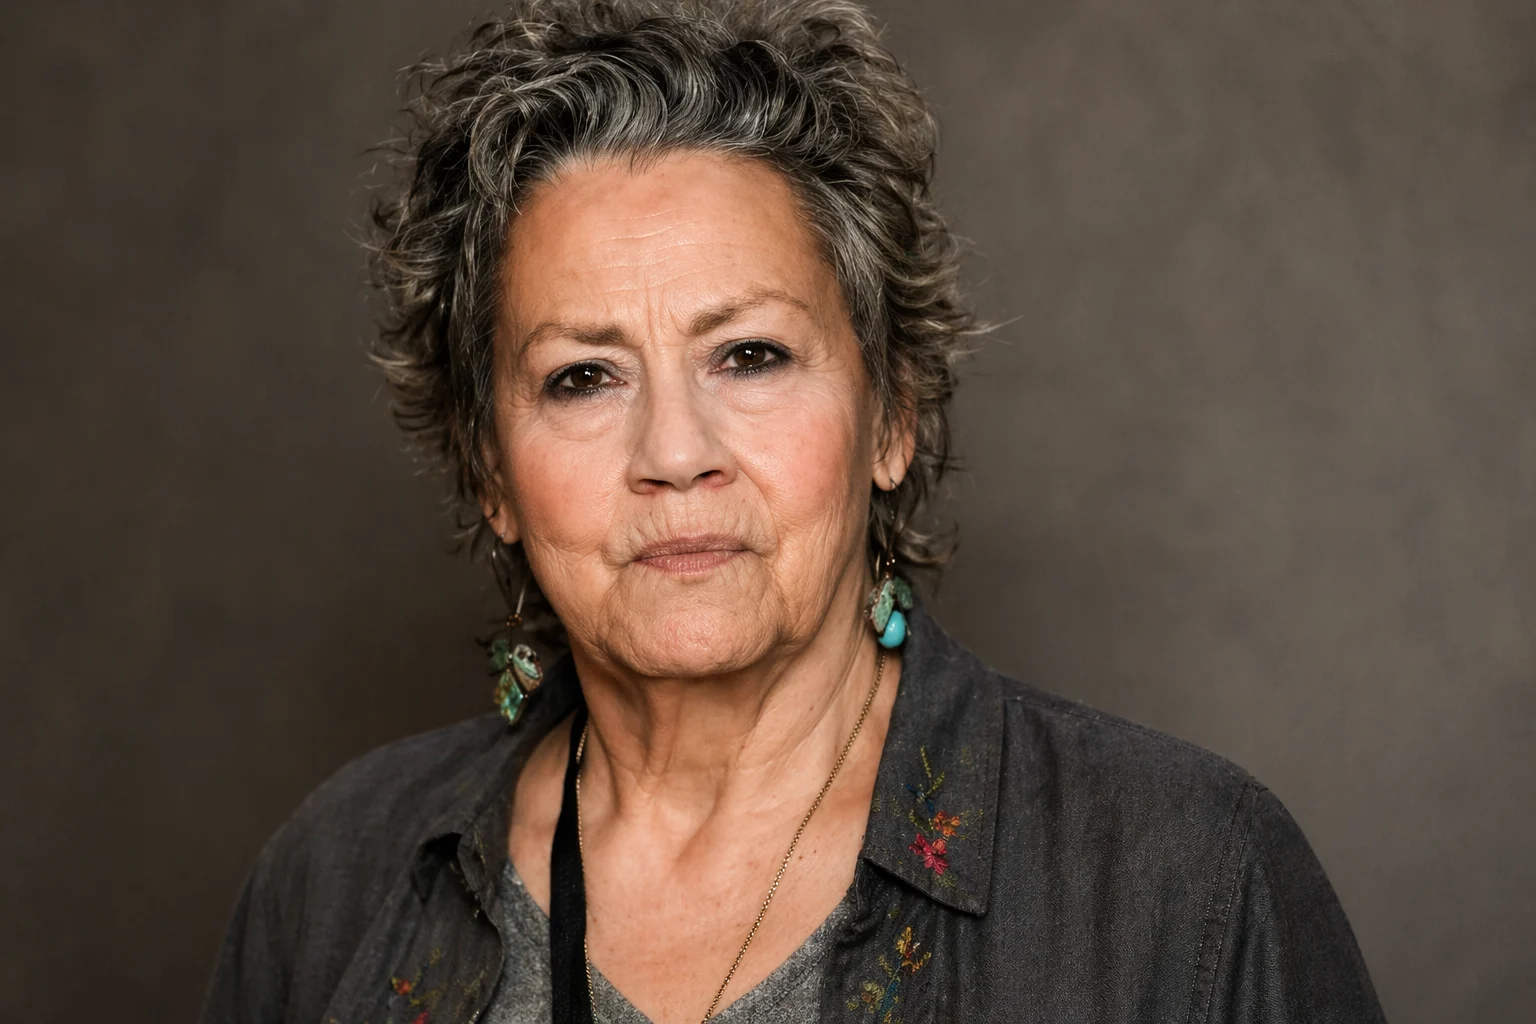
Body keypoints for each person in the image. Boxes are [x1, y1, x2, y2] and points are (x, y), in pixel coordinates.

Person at [200, 2, 1385, 1021]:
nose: (675, 454)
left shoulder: (1186, 882)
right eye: (582, 376)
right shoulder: (335, 881)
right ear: (492, 472)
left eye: (751, 354)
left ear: (892, 414)